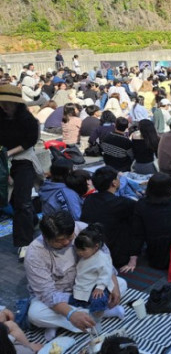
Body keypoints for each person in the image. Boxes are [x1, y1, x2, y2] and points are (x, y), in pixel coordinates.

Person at [24, 211, 127, 339]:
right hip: (60, 295)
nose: (67, 242)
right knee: (36, 314)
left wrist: (114, 285)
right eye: (60, 240)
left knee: (121, 284)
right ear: (45, 237)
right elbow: (47, 294)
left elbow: (104, 255)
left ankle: (62, 322)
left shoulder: (82, 229)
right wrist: (70, 314)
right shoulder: (34, 254)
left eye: (70, 236)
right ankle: (98, 314)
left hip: (87, 286)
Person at [0, 84, 42, 260]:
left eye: (8, 103)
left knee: (22, 200)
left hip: (23, 158)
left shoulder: (28, 120)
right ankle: (32, 220)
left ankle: (24, 243)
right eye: (2, 103)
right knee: (14, 198)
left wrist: (8, 154)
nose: (4, 106)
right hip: (3, 160)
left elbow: (29, 141)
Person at [80, 167, 137, 271]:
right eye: (118, 178)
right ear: (114, 183)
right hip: (116, 255)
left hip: (93, 250)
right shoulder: (124, 203)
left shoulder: (89, 199)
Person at [70, 224, 125, 330]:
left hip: (97, 288)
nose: (79, 253)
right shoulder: (85, 256)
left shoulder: (102, 257)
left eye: (83, 250)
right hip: (83, 286)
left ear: (96, 247)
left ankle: (96, 322)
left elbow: (106, 273)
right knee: (73, 303)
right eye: (77, 250)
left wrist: (100, 287)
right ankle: (109, 312)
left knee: (98, 301)